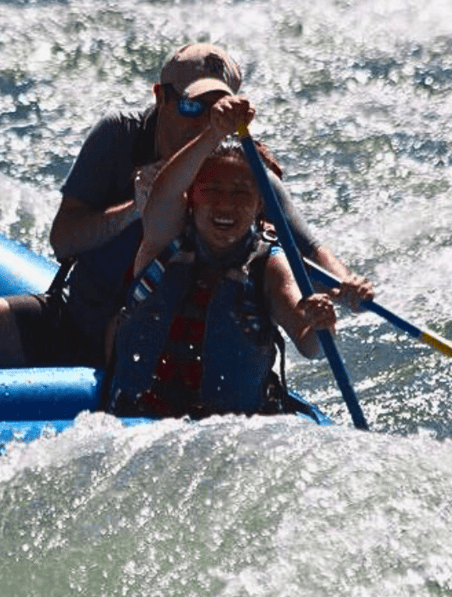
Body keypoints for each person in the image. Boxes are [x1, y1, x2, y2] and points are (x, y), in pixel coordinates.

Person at [0, 42, 373, 373]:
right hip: (77, 319)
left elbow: (308, 248)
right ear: (160, 97)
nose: (202, 124)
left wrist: (346, 285)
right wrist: (131, 210)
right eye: (191, 107)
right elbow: (63, 241)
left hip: (162, 350)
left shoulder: (234, 168)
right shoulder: (120, 137)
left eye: (214, 112)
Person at [104, 98, 348, 418]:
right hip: (139, 413)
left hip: (229, 429)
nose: (225, 204)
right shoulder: (163, 240)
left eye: (240, 193)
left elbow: (310, 346)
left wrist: (323, 328)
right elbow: (165, 190)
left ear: (259, 205)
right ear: (192, 197)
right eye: (212, 190)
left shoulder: (270, 266)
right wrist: (214, 132)